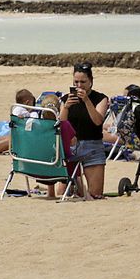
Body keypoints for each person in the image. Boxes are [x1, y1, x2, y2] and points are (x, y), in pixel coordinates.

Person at [59, 63, 109, 200]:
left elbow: (98, 121)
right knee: (63, 192)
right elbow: (61, 125)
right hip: (71, 147)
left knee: (96, 194)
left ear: (91, 82)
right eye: (76, 82)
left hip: (92, 147)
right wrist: (66, 107)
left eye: (83, 82)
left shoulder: (101, 99)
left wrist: (86, 100)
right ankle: (78, 184)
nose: (79, 86)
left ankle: (81, 186)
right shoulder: (66, 99)